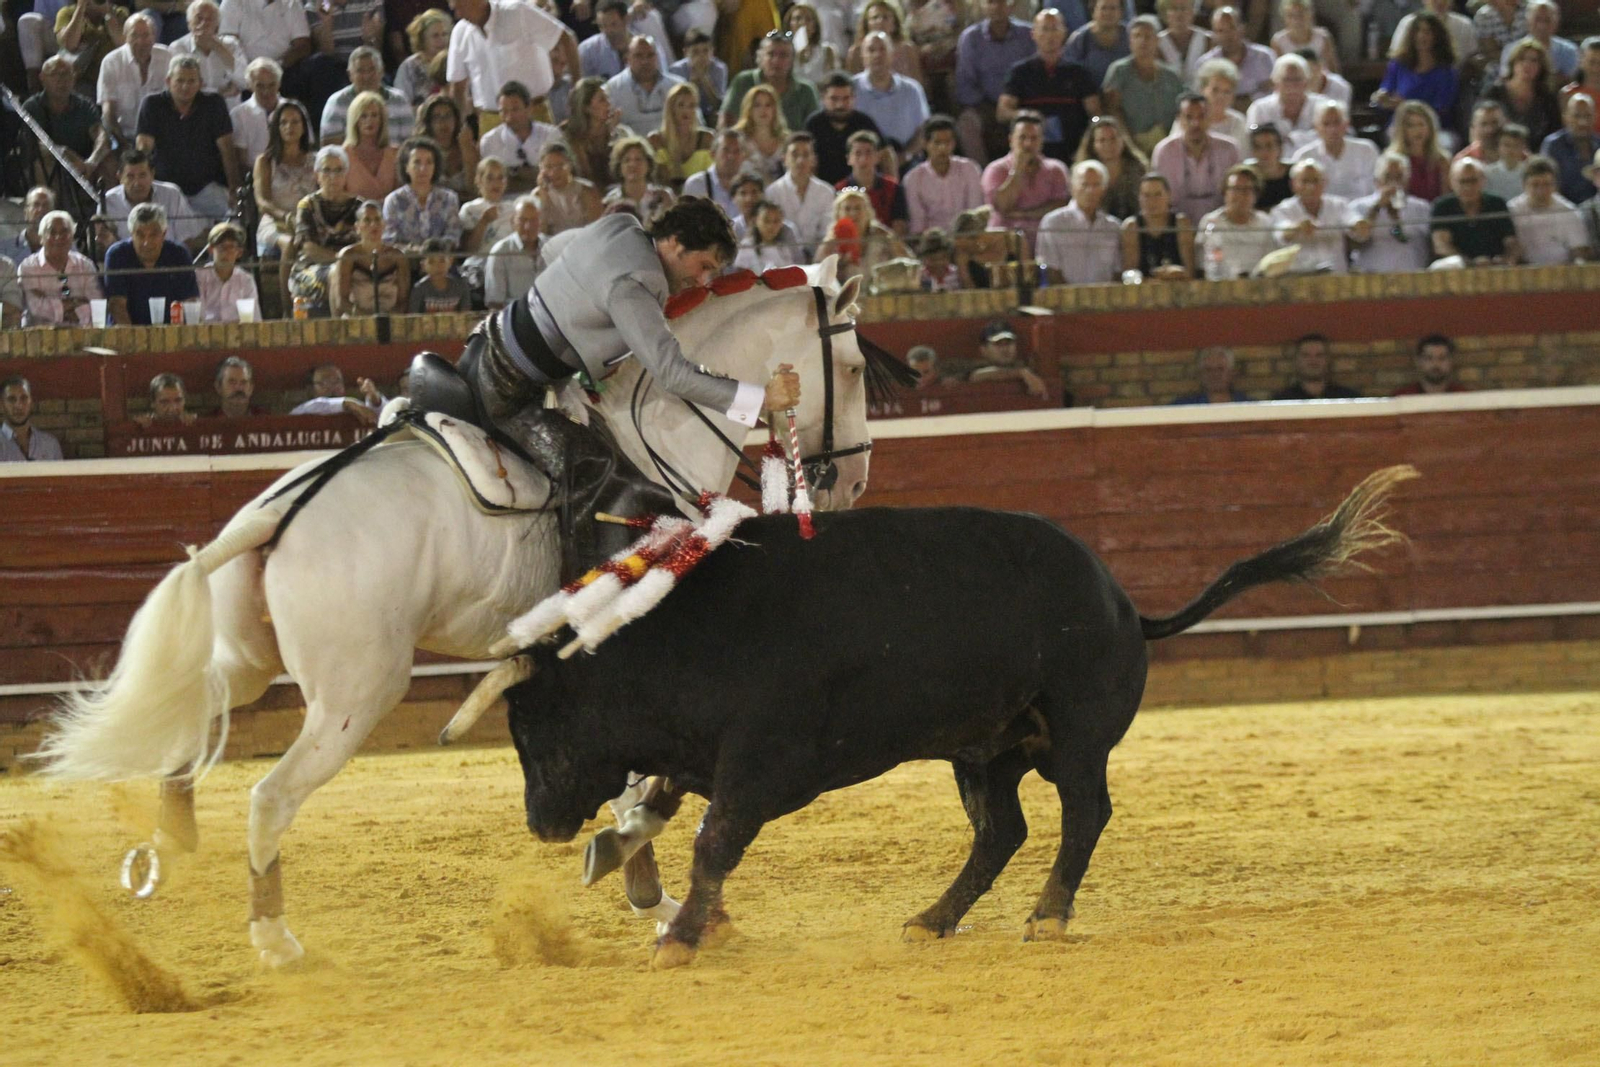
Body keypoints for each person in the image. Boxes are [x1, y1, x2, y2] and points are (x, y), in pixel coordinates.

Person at [450, 198, 804, 558]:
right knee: (595, 468)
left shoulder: (622, 224)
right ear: (676, 243)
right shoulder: (639, 280)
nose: (702, 280)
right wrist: (761, 399)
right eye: (703, 266)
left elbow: (553, 249)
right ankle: (582, 577)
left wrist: (586, 333)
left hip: (495, 347)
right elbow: (672, 374)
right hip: (509, 388)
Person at [135, 53, 241, 227]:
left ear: (201, 83)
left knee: (237, 217)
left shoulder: (214, 104)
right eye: (180, 81)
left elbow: (227, 149)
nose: (185, 86)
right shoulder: (152, 105)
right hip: (165, 189)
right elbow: (143, 149)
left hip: (206, 187)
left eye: (192, 81)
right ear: (168, 81)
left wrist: (234, 189)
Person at [447, 0, 579, 132]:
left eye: (461, 7)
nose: (458, 15)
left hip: (534, 113)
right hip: (490, 120)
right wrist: (459, 128)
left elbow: (566, 38)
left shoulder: (517, 12)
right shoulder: (460, 33)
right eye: (454, 9)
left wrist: (577, 87)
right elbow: (458, 87)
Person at [997, 8, 1099, 162]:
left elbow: (1096, 114)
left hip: (1074, 151)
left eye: (1055, 29)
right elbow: (1003, 112)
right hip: (1031, 150)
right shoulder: (1020, 72)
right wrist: (1027, 117)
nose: (1050, 35)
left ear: (1064, 33)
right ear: (1034, 34)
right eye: (1044, 29)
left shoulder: (1079, 72)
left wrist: (1090, 140)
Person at [954, 0, 1035, 166]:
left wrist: (1015, 107)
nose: (997, 7)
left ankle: (1033, 169)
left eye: (1002, 2)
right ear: (982, 5)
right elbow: (964, 84)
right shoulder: (971, 38)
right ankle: (982, 175)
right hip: (984, 106)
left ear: (1012, 5)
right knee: (967, 123)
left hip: (1023, 103)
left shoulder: (1028, 34)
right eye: (991, 2)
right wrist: (990, 107)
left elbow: (1037, 73)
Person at [253, 100, 317, 307]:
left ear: (303, 126)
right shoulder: (265, 161)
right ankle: (287, 308)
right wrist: (287, 217)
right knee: (289, 242)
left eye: (295, 122)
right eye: (284, 123)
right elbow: (262, 201)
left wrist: (305, 219)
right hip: (275, 220)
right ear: (276, 128)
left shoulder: (315, 160)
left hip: (308, 219)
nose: (290, 127)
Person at [983, 110, 1071, 249]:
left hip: (1047, 242)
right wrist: (1018, 170)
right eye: (1022, 138)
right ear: (1011, 139)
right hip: (1005, 243)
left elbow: (1059, 207)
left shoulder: (1056, 170)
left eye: (1034, 138)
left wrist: (1023, 214)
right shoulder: (996, 169)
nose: (1028, 143)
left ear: (1042, 140)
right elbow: (1002, 206)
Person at [24, 54, 113, 188]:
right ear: (42, 78)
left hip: (84, 161)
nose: (61, 80)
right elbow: (35, 145)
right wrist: (63, 153)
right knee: (43, 165)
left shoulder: (84, 105)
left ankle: (106, 207)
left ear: (74, 77)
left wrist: (91, 162)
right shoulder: (33, 107)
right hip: (52, 160)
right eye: (54, 74)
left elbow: (101, 136)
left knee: (110, 162)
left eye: (66, 74)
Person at [104, 201, 201, 324]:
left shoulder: (179, 253)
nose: (146, 242)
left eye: (153, 235)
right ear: (131, 234)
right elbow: (117, 305)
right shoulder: (117, 254)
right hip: (127, 333)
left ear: (164, 233)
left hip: (171, 333)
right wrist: (134, 340)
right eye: (140, 235)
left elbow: (190, 301)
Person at [1101, 16, 1182, 157]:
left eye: (1148, 36)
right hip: (1129, 147)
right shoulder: (1119, 71)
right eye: (1137, 36)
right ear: (1130, 41)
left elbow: (1180, 112)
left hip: (1169, 147)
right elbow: (1112, 109)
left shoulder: (1171, 76)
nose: (1142, 41)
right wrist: (1129, 143)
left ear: (1157, 41)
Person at [1151, 93, 1239, 223]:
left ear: (1210, 118)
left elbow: (1237, 193)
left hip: (1221, 225)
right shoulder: (1164, 151)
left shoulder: (1229, 149)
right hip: (1175, 226)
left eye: (1201, 116)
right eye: (1188, 117)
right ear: (1179, 119)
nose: (1195, 123)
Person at [1037, 158, 1121, 284]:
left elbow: (1117, 271)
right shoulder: (1053, 223)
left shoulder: (1113, 226)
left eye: (1096, 185)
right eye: (1084, 184)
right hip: (1065, 299)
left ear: (1104, 189)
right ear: (1072, 187)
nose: (1090, 191)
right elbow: (1049, 269)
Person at [1345, 152, 1432, 273]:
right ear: (1377, 180)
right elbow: (1355, 243)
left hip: (1412, 275)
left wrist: (1395, 219)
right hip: (1371, 276)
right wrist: (1376, 209)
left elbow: (1402, 238)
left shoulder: (1421, 208)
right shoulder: (1359, 207)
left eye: (1399, 177)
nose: (1393, 183)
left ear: (1407, 179)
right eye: (1388, 177)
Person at [720, 28, 819, 134]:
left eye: (783, 55)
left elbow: (814, 131)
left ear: (792, 60)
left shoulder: (805, 91)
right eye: (771, 54)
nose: (776, 60)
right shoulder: (743, 82)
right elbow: (727, 120)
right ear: (760, 57)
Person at [103, 148, 203, 251]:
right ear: (119, 177)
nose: (137, 183)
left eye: (142, 175)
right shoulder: (108, 201)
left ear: (152, 174)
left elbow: (186, 239)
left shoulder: (172, 194)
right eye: (130, 177)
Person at [1371, 12, 1457, 132]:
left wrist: (1407, 105)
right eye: (1418, 31)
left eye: (1427, 32)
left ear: (1437, 36)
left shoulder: (1446, 71)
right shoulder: (1398, 64)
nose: (1421, 36)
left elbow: (1442, 108)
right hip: (1400, 127)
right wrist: (1382, 97)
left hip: (1435, 129)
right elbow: (1386, 89)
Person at [902, 114, 985, 236]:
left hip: (967, 238)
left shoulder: (970, 169)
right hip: (932, 242)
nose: (943, 148)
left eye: (948, 142)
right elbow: (917, 224)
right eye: (937, 143)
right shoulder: (913, 179)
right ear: (925, 144)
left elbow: (975, 214)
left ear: (954, 143)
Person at [97, 11, 171, 146]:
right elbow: (108, 113)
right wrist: (124, 145)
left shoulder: (167, 57)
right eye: (134, 35)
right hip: (122, 136)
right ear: (125, 37)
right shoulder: (111, 62)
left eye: (146, 35)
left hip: (161, 137)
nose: (141, 41)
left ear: (154, 37)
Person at [18, 210, 103, 326]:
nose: (58, 237)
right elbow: (36, 309)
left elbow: (96, 305)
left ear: (72, 236)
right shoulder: (28, 267)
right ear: (41, 238)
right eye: (52, 232)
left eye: (64, 232)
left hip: (82, 335)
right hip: (39, 337)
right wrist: (76, 302)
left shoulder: (85, 265)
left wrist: (51, 302)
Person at [481, 81, 565, 195]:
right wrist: (534, 174)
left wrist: (513, 174)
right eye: (504, 111)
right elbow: (492, 185)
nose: (509, 117)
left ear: (529, 108)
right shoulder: (490, 141)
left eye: (515, 110)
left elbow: (558, 176)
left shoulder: (551, 135)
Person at [1431, 157, 1520, 265]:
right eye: (1463, 182)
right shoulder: (1442, 206)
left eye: (1473, 181)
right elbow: (1441, 246)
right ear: (1452, 183)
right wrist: (1471, 263)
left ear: (1483, 180)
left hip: (1494, 267)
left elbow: (1510, 241)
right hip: (1457, 269)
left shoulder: (1497, 204)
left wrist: (1506, 259)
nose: (1468, 187)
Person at [319, 46, 414, 146]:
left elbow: (409, 144)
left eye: (372, 69)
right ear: (350, 74)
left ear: (382, 72)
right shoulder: (337, 102)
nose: (366, 76)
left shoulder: (399, 100)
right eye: (360, 71)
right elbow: (330, 147)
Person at [383, 136, 464, 253]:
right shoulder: (394, 200)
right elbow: (389, 240)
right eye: (417, 162)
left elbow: (453, 235)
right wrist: (416, 251)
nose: (423, 168)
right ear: (406, 167)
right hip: (405, 264)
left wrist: (435, 252)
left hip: (440, 264)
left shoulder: (449, 198)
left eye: (429, 162)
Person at [1196, 162, 1276, 278]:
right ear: (1225, 192)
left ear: (1255, 194)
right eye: (1235, 189)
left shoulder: (1265, 222)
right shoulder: (1210, 222)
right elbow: (1201, 263)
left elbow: (1271, 261)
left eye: (1246, 189)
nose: (1240, 195)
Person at [1269, 157, 1348, 273]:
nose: (1311, 187)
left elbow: (1355, 225)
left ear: (1325, 182)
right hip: (1299, 278)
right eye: (1305, 181)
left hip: (1336, 277)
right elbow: (1281, 234)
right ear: (1293, 184)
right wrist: (1297, 228)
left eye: (1316, 181)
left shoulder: (1340, 205)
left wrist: (1359, 226)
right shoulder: (1282, 209)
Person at [1508, 155, 1592, 264]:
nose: (1541, 190)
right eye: (1535, 185)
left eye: (1546, 184)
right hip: (1523, 272)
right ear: (1524, 185)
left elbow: (1578, 249)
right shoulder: (1512, 210)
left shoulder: (1569, 211)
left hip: (1563, 272)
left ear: (1555, 185)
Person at [1481, 38, 1563, 149]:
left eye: (1534, 60)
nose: (1527, 64)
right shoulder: (1494, 93)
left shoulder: (1547, 97)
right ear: (1513, 63)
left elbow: (1555, 132)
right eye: (1521, 59)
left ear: (1541, 66)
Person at [817, 185, 911, 282]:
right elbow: (818, 272)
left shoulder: (881, 233)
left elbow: (908, 261)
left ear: (867, 211)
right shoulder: (832, 239)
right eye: (847, 209)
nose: (853, 213)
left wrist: (891, 240)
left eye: (858, 208)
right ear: (838, 213)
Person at [765, 131, 838, 253]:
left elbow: (827, 232)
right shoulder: (773, 192)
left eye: (806, 155)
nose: (800, 160)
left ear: (814, 159)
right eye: (794, 154)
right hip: (783, 258)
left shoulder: (826, 192)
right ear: (784, 159)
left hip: (818, 257)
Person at [805, 72, 883, 185]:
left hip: (860, 189)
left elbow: (885, 153)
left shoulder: (864, 122)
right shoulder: (814, 124)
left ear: (854, 98)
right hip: (823, 189)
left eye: (846, 99)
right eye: (834, 99)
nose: (840, 105)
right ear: (823, 99)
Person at [1290, 100, 1377, 200]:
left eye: (1337, 122)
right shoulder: (1305, 156)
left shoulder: (1366, 150)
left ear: (1347, 124)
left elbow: (1376, 187)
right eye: (1326, 124)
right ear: (1316, 127)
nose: (1332, 129)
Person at [336, 199, 411, 314]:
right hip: (357, 319)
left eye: (377, 219)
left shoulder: (398, 256)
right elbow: (342, 301)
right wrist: (365, 318)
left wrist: (388, 320)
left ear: (384, 225)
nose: (373, 225)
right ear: (357, 227)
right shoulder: (348, 256)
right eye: (367, 220)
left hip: (391, 319)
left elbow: (403, 301)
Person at [169, 0, 248, 106]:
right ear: (189, 24)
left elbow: (245, 81)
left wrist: (218, 47)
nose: (204, 23)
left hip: (229, 110)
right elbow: (180, 88)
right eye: (199, 18)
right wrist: (219, 93)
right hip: (194, 110)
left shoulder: (231, 45)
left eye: (209, 19)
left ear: (217, 25)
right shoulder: (178, 48)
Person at [605, 35, 686, 138]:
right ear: (627, 58)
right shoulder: (612, 89)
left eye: (650, 55)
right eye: (638, 56)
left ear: (657, 57)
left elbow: (696, 123)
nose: (645, 62)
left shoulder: (677, 86)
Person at [1244, 52, 1325, 150]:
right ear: (1275, 82)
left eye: (1297, 79)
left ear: (1306, 82)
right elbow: (1253, 140)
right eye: (1286, 80)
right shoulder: (1260, 108)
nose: (1292, 86)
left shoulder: (1322, 106)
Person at [1122, 170, 1193, 278]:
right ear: (1139, 198)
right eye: (1146, 195)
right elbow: (1129, 274)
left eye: (1158, 195)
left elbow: (1190, 272)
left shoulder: (1181, 223)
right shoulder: (1132, 226)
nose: (1152, 201)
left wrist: (1177, 272)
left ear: (1169, 195)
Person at [836, 129, 909, 235]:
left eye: (868, 153)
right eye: (858, 153)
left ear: (878, 157)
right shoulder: (840, 190)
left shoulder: (894, 188)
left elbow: (899, 228)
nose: (863, 159)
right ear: (849, 159)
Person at [563, 77, 632, 187]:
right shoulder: (569, 138)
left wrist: (611, 133)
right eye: (602, 100)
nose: (609, 104)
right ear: (586, 107)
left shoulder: (622, 133)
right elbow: (582, 175)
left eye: (607, 98)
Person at [1196, 6, 1274, 104]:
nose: (1227, 35)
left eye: (1232, 28)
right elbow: (1201, 100)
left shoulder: (1264, 57)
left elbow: (1274, 93)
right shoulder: (1204, 64)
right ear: (1214, 34)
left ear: (1242, 28)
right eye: (1220, 31)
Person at [1076, 114, 1147, 219]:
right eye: (1102, 140)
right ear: (1093, 144)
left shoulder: (1138, 168)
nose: (1108, 144)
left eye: (1113, 138)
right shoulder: (1084, 173)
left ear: (1122, 140)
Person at [651, 81, 717, 186]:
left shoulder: (706, 138)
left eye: (691, 106)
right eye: (681, 105)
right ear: (671, 108)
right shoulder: (656, 140)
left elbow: (714, 178)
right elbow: (658, 180)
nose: (686, 111)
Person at [484, 195, 543, 310]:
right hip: (515, 316)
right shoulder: (501, 251)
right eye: (523, 220)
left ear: (540, 221)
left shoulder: (550, 247)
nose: (528, 226)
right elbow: (494, 302)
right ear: (513, 221)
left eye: (533, 220)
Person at [418, 95, 482, 199]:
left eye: (448, 116)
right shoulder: (422, 151)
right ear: (428, 122)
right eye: (436, 117)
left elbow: (476, 190)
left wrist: (467, 151)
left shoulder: (467, 146)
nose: (443, 122)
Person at [1390, 0, 1477, 74]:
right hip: (1414, 79)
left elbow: (1472, 56)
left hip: (1456, 81)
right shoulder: (1408, 23)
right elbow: (1398, 56)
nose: (1440, 2)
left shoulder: (1464, 24)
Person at [196, 220, 259, 321]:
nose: (226, 252)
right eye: (221, 247)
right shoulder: (200, 276)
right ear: (211, 249)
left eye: (231, 247)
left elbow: (254, 318)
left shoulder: (246, 280)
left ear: (239, 252)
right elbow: (198, 316)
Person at [1388, 100, 1450, 202]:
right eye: (1411, 125)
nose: (1417, 130)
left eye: (1421, 124)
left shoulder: (1442, 160)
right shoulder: (1393, 161)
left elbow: (1445, 198)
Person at [1501, 1, 1578, 84]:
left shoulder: (1569, 50)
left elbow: (1571, 82)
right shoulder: (1511, 50)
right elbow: (1507, 80)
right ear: (1528, 20)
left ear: (1556, 21)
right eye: (1537, 19)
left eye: (1547, 20)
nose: (1542, 25)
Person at [535, 141, 603, 234]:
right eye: (548, 167)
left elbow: (597, 227)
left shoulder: (586, 190)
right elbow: (539, 234)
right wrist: (544, 200)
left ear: (570, 165)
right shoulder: (537, 195)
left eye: (560, 166)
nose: (554, 172)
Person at [1540, 95, 1597, 205]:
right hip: (1562, 211)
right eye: (1577, 116)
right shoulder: (1553, 145)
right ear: (1565, 117)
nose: (1582, 122)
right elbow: (1548, 182)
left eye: (1588, 116)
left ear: (1595, 117)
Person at [847, 0, 923, 81]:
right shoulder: (856, 52)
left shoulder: (907, 50)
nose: (880, 21)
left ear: (894, 23)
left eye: (885, 17)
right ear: (867, 24)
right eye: (875, 17)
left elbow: (918, 82)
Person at [230, 57, 282, 172]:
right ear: (249, 85)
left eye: (271, 85)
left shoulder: (294, 109)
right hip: (254, 176)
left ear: (279, 83)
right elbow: (240, 161)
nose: (266, 91)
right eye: (260, 85)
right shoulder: (239, 114)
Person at [604, 137, 676, 220]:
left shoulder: (663, 197)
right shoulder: (610, 201)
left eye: (638, 159)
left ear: (648, 165)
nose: (633, 164)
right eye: (627, 160)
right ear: (619, 168)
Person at [670, 28, 729, 127]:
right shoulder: (676, 70)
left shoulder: (719, 68)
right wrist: (693, 83)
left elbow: (719, 104)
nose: (701, 56)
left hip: (709, 112)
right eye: (695, 52)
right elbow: (678, 102)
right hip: (686, 112)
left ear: (712, 51)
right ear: (686, 52)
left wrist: (705, 80)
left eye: (705, 51)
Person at [733, 83, 792, 181]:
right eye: (757, 105)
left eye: (768, 105)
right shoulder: (738, 139)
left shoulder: (787, 140)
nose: (763, 110)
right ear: (749, 109)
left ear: (775, 109)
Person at [1271, 333, 1357, 399]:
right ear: (1296, 360)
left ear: (1328, 359)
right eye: (1306, 355)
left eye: (1319, 355)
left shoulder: (1348, 398)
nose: (1313, 361)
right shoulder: (1282, 400)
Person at [395, 7, 452, 107]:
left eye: (444, 34)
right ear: (422, 38)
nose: (442, 40)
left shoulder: (454, 62)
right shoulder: (408, 67)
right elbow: (401, 103)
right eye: (435, 36)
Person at [681, 127, 746, 214]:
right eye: (725, 150)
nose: (731, 156)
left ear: (744, 156)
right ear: (713, 154)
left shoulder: (750, 187)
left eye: (737, 151)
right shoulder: (696, 185)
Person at [289, 362, 384, 422]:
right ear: (311, 390)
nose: (333, 387)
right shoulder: (302, 411)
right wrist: (347, 403)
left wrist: (375, 400)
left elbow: (381, 419)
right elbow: (316, 405)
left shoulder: (358, 410)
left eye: (337, 382)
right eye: (325, 382)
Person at [1, 377, 65, 462]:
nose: (19, 406)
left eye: (24, 398)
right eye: (11, 399)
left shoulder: (49, 444)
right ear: (1, 405)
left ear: (31, 402)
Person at [733, 199, 802, 271]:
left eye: (776, 221)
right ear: (756, 221)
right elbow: (741, 273)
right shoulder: (747, 246)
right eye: (766, 221)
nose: (771, 226)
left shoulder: (784, 247)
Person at [409, 236, 474, 312]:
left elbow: (465, 315)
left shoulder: (461, 286)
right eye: (431, 262)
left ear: (450, 261)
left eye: (442, 260)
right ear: (423, 266)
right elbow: (413, 317)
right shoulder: (419, 289)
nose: (437, 267)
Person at [1270, 0, 1335, 72]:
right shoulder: (1278, 41)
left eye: (1300, 14)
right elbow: (1278, 72)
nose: (1296, 20)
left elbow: (1332, 70)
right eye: (1291, 15)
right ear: (1284, 18)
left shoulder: (1323, 37)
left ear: (1310, 14)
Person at [783, 5, 839, 87]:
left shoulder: (827, 51)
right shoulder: (782, 52)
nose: (803, 23)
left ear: (815, 26)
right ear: (790, 24)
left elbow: (831, 82)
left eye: (808, 19)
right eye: (797, 18)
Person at [1157, 0, 1210, 85]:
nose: (1179, 13)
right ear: (1165, 12)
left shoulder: (1207, 39)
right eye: (1174, 8)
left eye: (1184, 8)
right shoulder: (1157, 42)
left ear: (1193, 11)